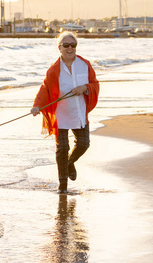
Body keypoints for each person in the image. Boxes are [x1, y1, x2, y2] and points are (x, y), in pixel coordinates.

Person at [31, 31, 100, 193]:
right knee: (62, 148)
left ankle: (69, 163)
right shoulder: (54, 70)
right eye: (66, 45)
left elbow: (95, 84)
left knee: (84, 144)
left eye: (73, 45)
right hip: (61, 115)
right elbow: (45, 89)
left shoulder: (85, 64)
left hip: (79, 113)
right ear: (59, 48)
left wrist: (85, 88)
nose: (70, 48)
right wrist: (36, 105)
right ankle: (62, 185)